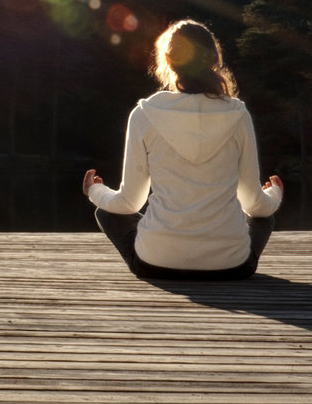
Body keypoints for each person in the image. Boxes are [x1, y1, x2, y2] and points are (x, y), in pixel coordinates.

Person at [82, 19, 282, 280]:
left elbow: (129, 203)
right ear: (213, 59)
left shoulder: (145, 114)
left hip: (156, 264)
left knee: (106, 210)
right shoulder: (237, 114)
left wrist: (94, 191)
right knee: (264, 217)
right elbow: (255, 206)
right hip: (231, 268)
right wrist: (275, 193)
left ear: (168, 60)